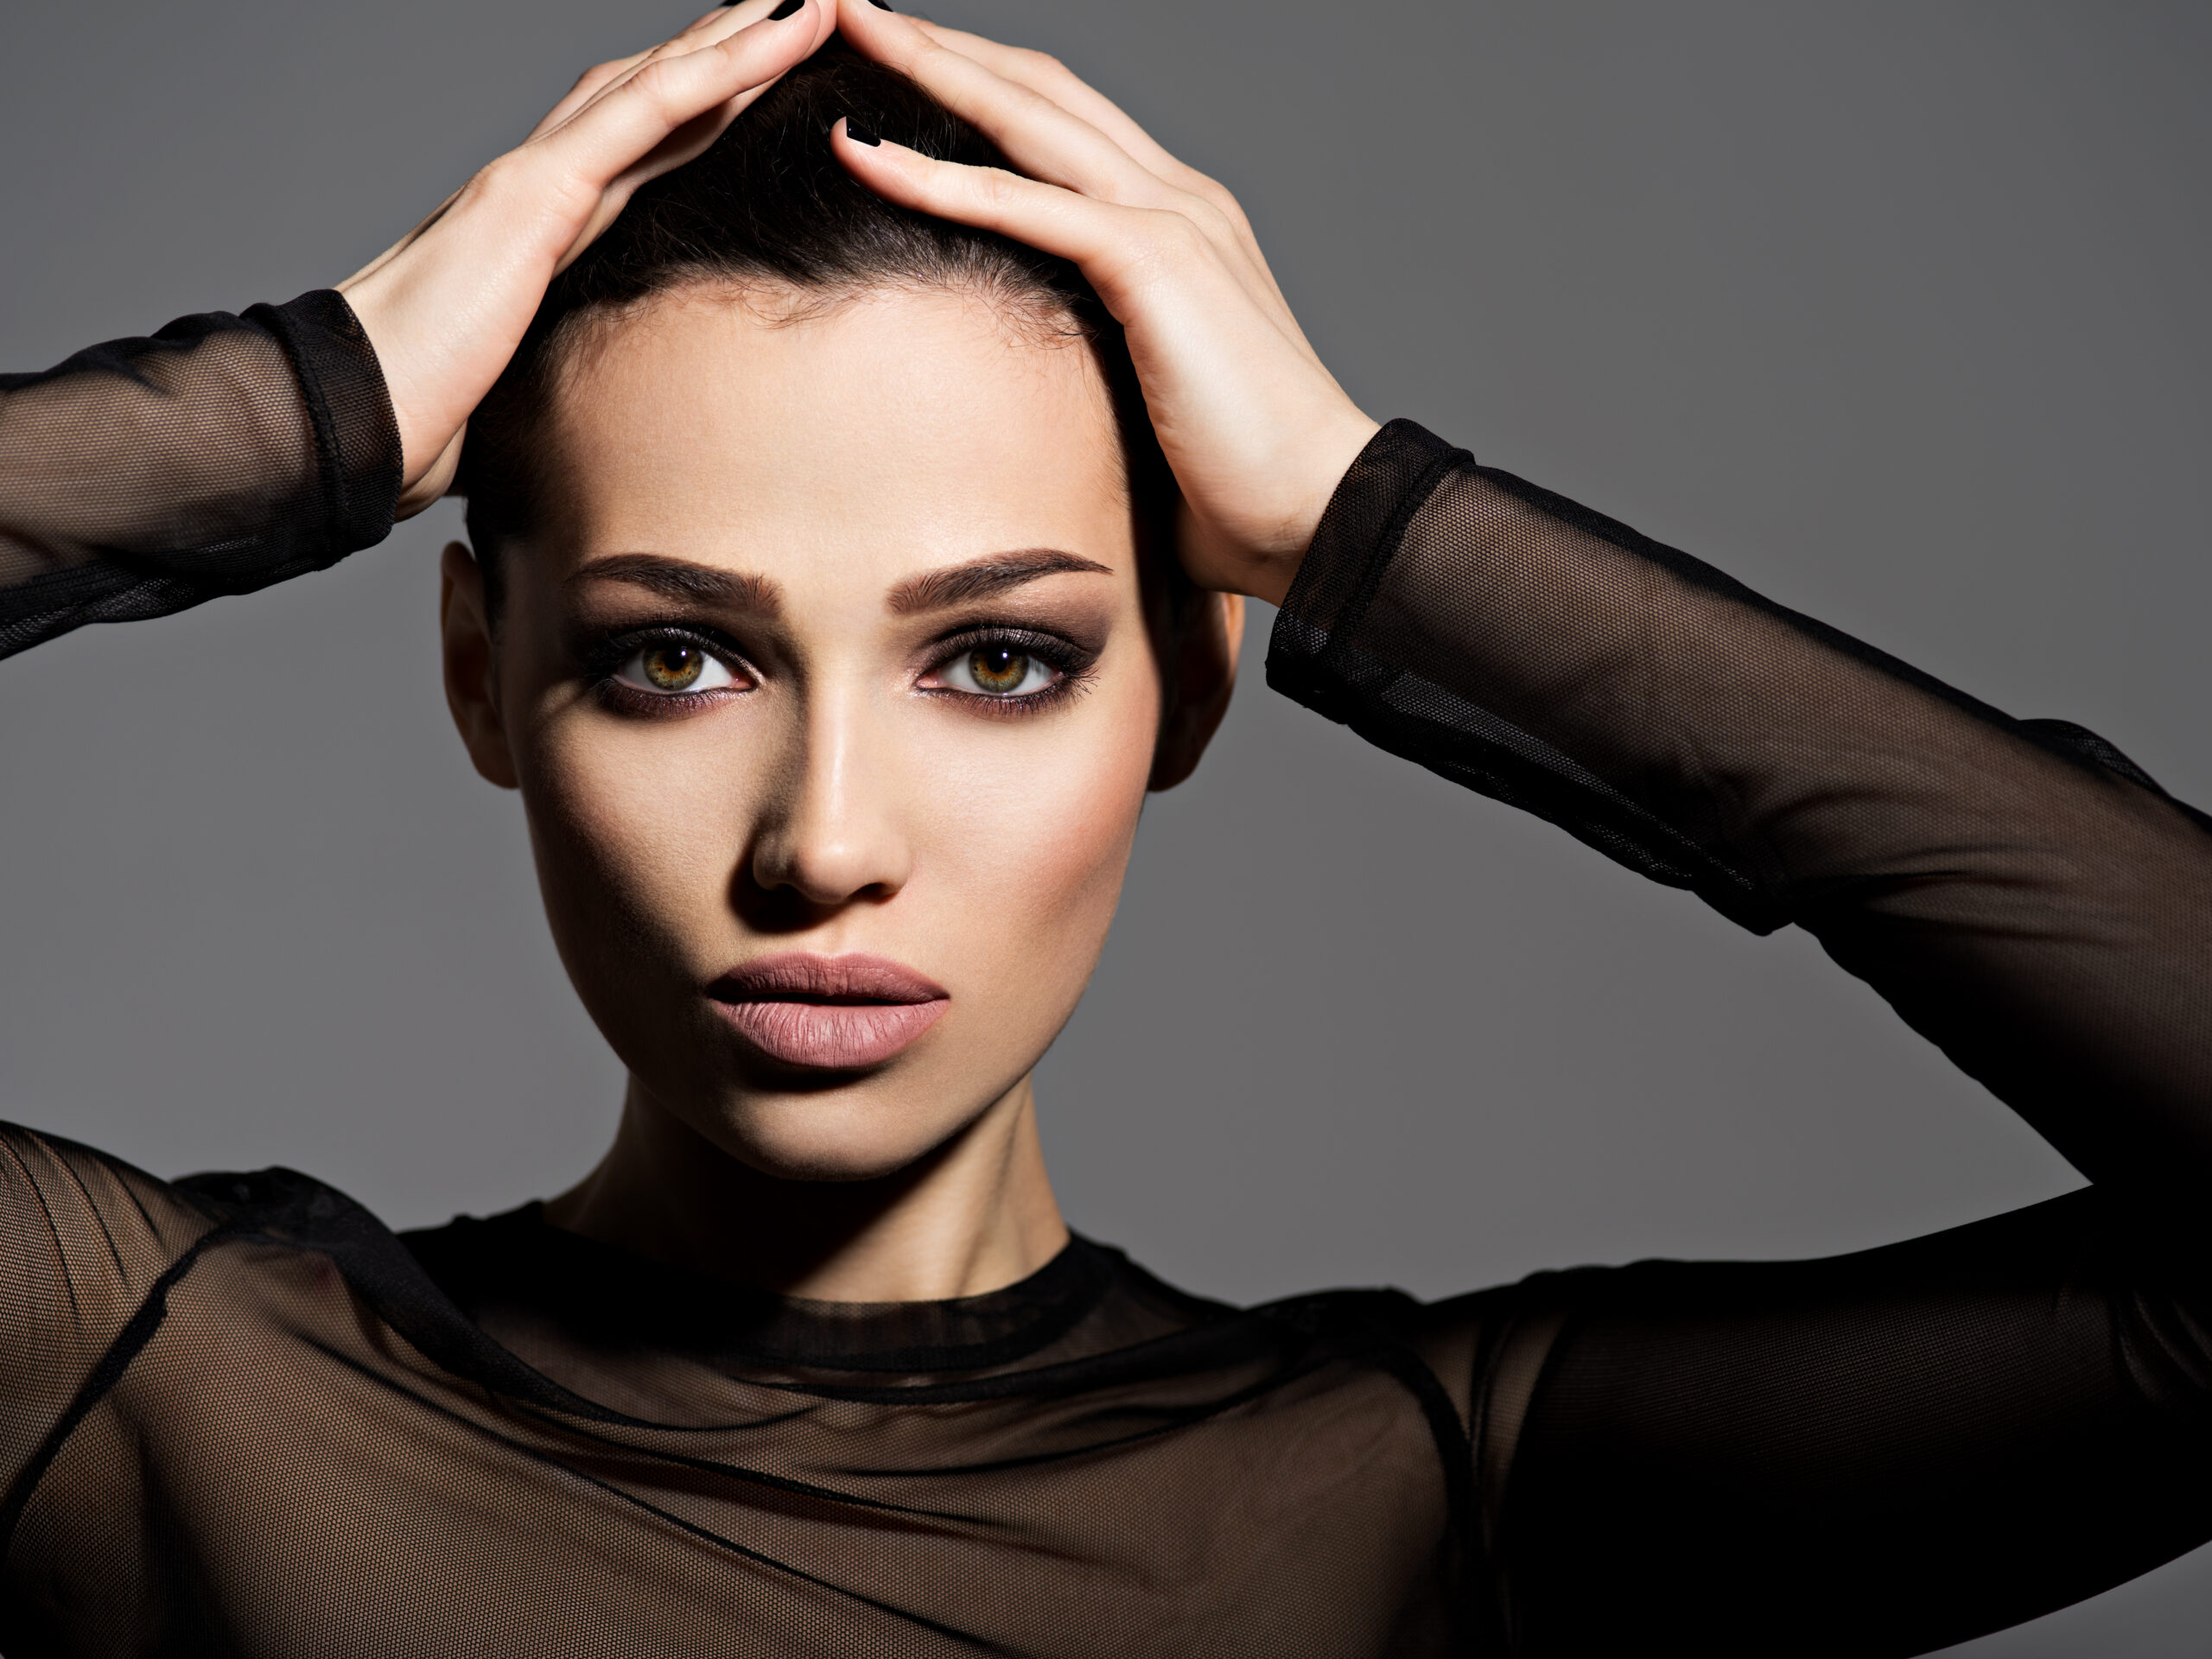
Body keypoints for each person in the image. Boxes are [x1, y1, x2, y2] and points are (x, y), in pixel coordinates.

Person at [3, 2, 2209, 1653]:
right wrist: (300, 405)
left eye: (996, 660)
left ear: (1191, 679)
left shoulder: (1412, 1507)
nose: (825, 840)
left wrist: (1369, 525)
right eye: (676, 656)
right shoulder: (147, 1378)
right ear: (484, 675)